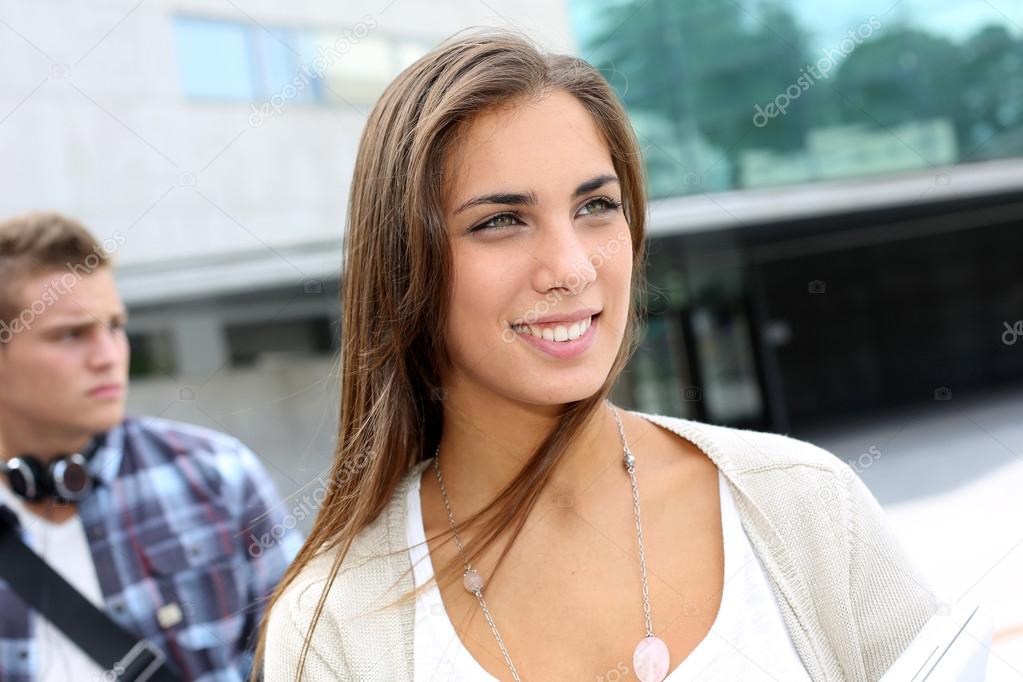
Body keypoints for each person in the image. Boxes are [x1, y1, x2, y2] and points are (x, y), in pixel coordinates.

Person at [258, 30, 940, 682]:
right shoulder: (334, 624)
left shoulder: (802, 501)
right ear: (406, 268)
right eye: (501, 220)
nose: (572, 267)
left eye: (596, 207)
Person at [0, 211, 304, 680]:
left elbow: (304, 660)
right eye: (71, 334)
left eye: (116, 326)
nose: (109, 356)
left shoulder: (217, 475)